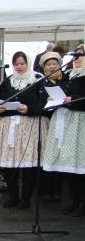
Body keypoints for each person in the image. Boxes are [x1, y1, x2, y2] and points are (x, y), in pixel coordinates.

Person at [0, 52, 47, 210]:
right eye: (16, 64)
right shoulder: (8, 81)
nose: (19, 67)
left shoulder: (37, 79)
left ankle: (25, 198)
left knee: (28, 165)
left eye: (22, 63)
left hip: (29, 126)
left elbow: (45, 103)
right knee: (9, 164)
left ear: (27, 63)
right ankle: (13, 196)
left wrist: (29, 109)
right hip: (8, 126)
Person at [43, 52, 85, 217]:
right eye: (75, 57)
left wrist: (71, 99)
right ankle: (74, 199)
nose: (77, 59)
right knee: (69, 162)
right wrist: (54, 99)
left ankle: (83, 202)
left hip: (80, 122)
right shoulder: (69, 75)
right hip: (66, 122)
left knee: (80, 163)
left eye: (81, 56)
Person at [39, 51, 69, 202]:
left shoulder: (68, 80)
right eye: (49, 64)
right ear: (44, 68)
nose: (52, 67)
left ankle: (57, 189)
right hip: (48, 121)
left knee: (61, 154)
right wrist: (46, 100)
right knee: (47, 154)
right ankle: (45, 189)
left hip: (65, 121)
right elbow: (37, 103)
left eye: (54, 64)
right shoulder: (41, 82)